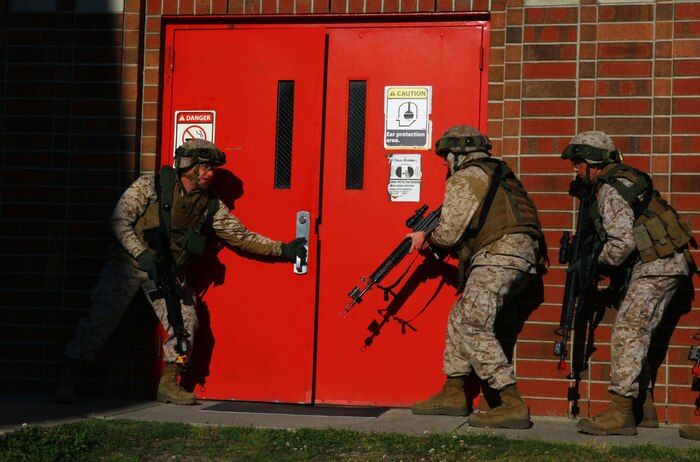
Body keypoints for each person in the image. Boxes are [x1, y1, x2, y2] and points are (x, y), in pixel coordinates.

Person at [53, 139, 307, 405]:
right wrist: (140, 253)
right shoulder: (150, 185)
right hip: (128, 265)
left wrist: (283, 249)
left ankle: (170, 384)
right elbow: (119, 221)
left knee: (185, 320)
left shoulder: (209, 205)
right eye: (205, 167)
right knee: (100, 319)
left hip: (167, 271)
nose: (210, 173)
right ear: (188, 166)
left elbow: (240, 236)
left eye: (213, 169)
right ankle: (68, 379)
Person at [408, 125, 546, 429]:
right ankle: (454, 392)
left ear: (458, 154)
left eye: (446, 156)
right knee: (462, 314)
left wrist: (425, 237)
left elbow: (447, 234)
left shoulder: (466, 176)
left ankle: (511, 403)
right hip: (521, 256)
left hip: (499, 254)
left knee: (473, 322)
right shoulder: (500, 173)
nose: (444, 163)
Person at [561, 131, 697, 436]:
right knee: (639, 332)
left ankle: (621, 411)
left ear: (594, 162)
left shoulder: (609, 189)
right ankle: (642, 408)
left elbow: (620, 244)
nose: (574, 168)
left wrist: (592, 262)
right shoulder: (622, 181)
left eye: (578, 161)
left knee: (628, 330)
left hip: (657, 264)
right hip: (660, 262)